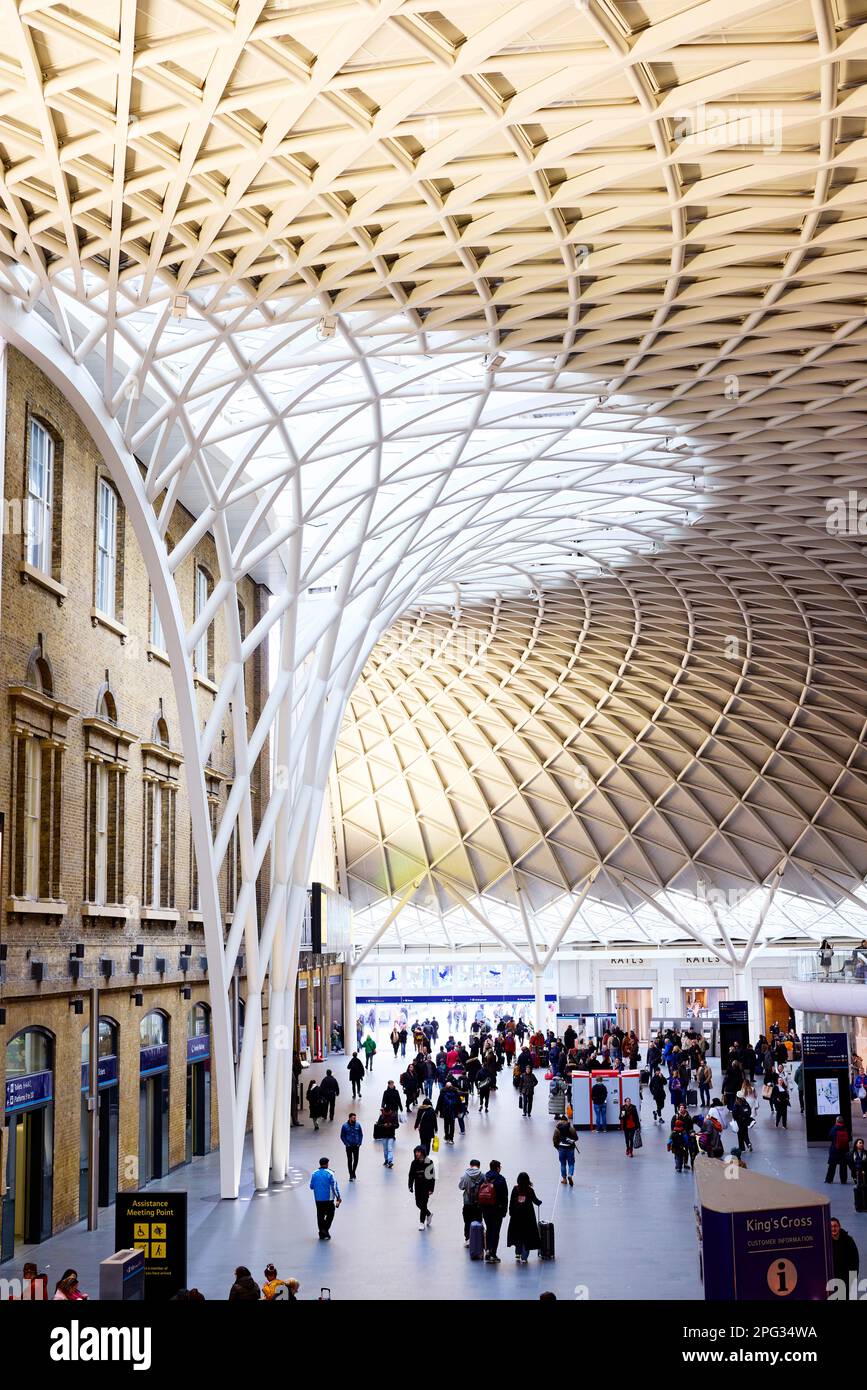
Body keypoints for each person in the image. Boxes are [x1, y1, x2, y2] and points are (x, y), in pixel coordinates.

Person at [507, 1171, 542, 1263]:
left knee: (518, 1235)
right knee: (527, 1236)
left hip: (516, 1217)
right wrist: (539, 1202)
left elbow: (511, 1202)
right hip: (528, 1217)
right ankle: (524, 1257)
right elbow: (535, 1200)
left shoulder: (515, 1189)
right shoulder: (530, 1190)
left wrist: (511, 1212)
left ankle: (517, 1253)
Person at [478, 1159, 508, 1263]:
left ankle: (487, 1251)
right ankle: (493, 1253)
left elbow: (479, 1192)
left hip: (485, 1209)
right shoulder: (501, 1180)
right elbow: (505, 1196)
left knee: (489, 1229)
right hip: (497, 1210)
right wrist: (504, 1211)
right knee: (496, 1232)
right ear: (498, 1168)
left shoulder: (484, 1178)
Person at [309, 1157, 341, 1239]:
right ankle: (325, 1230)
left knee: (320, 1215)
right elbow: (334, 1186)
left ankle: (321, 1232)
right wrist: (338, 1197)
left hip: (318, 1199)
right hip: (328, 1199)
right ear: (327, 1164)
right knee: (330, 1214)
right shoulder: (330, 1173)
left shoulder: (314, 1173)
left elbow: (311, 1186)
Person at [831, 1218, 860, 1298]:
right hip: (834, 1280)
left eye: (835, 1226)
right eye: (831, 1227)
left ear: (839, 1227)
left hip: (847, 1278)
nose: (833, 1228)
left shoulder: (848, 1240)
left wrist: (853, 1279)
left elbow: (855, 1261)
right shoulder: (827, 1243)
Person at [408, 1146, 435, 1230]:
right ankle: (429, 1214)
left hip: (426, 1187)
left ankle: (421, 1222)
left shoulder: (429, 1162)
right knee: (418, 1203)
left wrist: (431, 1189)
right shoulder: (414, 1163)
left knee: (423, 1204)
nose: (417, 1154)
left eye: (418, 1152)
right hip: (418, 1186)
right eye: (416, 1152)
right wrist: (410, 1185)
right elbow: (411, 1175)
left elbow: (432, 1177)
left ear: (423, 1152)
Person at [459, 1159, 484, 1243]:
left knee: (467, 1222)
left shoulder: (465, 1175)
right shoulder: (482, 1175)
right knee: (478, 1221)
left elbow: (461, 1187)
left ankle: (468, 1239)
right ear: (479, 1166)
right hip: (478, 1203)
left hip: (467, 1202)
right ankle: (478, 1239)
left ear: (470, 1165)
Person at [553, 1115, 578, 1185]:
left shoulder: (557, 1129)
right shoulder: (571, 1128)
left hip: (561, 1148)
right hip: (570, 1148)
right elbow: (576, 1138)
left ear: (560, 1120)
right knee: (571, 1163)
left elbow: (554, 1140)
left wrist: (557, 1147)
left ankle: (564, 1179)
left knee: (563, 1164)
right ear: (567, 1120)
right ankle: (570, 1174)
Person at [827, 1117, 851, 1184]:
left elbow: (830, 1137)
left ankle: (829, 1179)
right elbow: (849, 1138)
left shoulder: (834, 1128)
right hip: (844, 1150)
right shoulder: (846, 1128)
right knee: (843, 1166)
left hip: (835, 1149)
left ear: (836, 1121)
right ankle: (843, 1180)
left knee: (832, 1165)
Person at [340, 1112, 363, 1180]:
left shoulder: (358, 1125)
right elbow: (342, 1136)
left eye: (355, 1118)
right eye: (353, 1118)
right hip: (349, 1146)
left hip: (356, 1146)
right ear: (350, 1118)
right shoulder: (344, 1126)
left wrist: (359, 1143)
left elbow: (361, 1134)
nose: (355, 1119)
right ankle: (351, 1175)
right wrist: (346, 1144)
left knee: (356, 1160)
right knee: (350, 1160)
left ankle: (353, 1172)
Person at [849, 1136, 867, 1211]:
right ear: (856, 1144)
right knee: (857, 1190)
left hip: (864, 1174)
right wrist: (853, 1171)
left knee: (865, 1190)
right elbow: (850, 1164)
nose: (861, 1144)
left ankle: (865, 1206)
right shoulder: (851, 1154)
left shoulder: (866, 1153)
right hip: (856, 1174)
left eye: (862, 1143)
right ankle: (858, 1206)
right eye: (860, 1143)